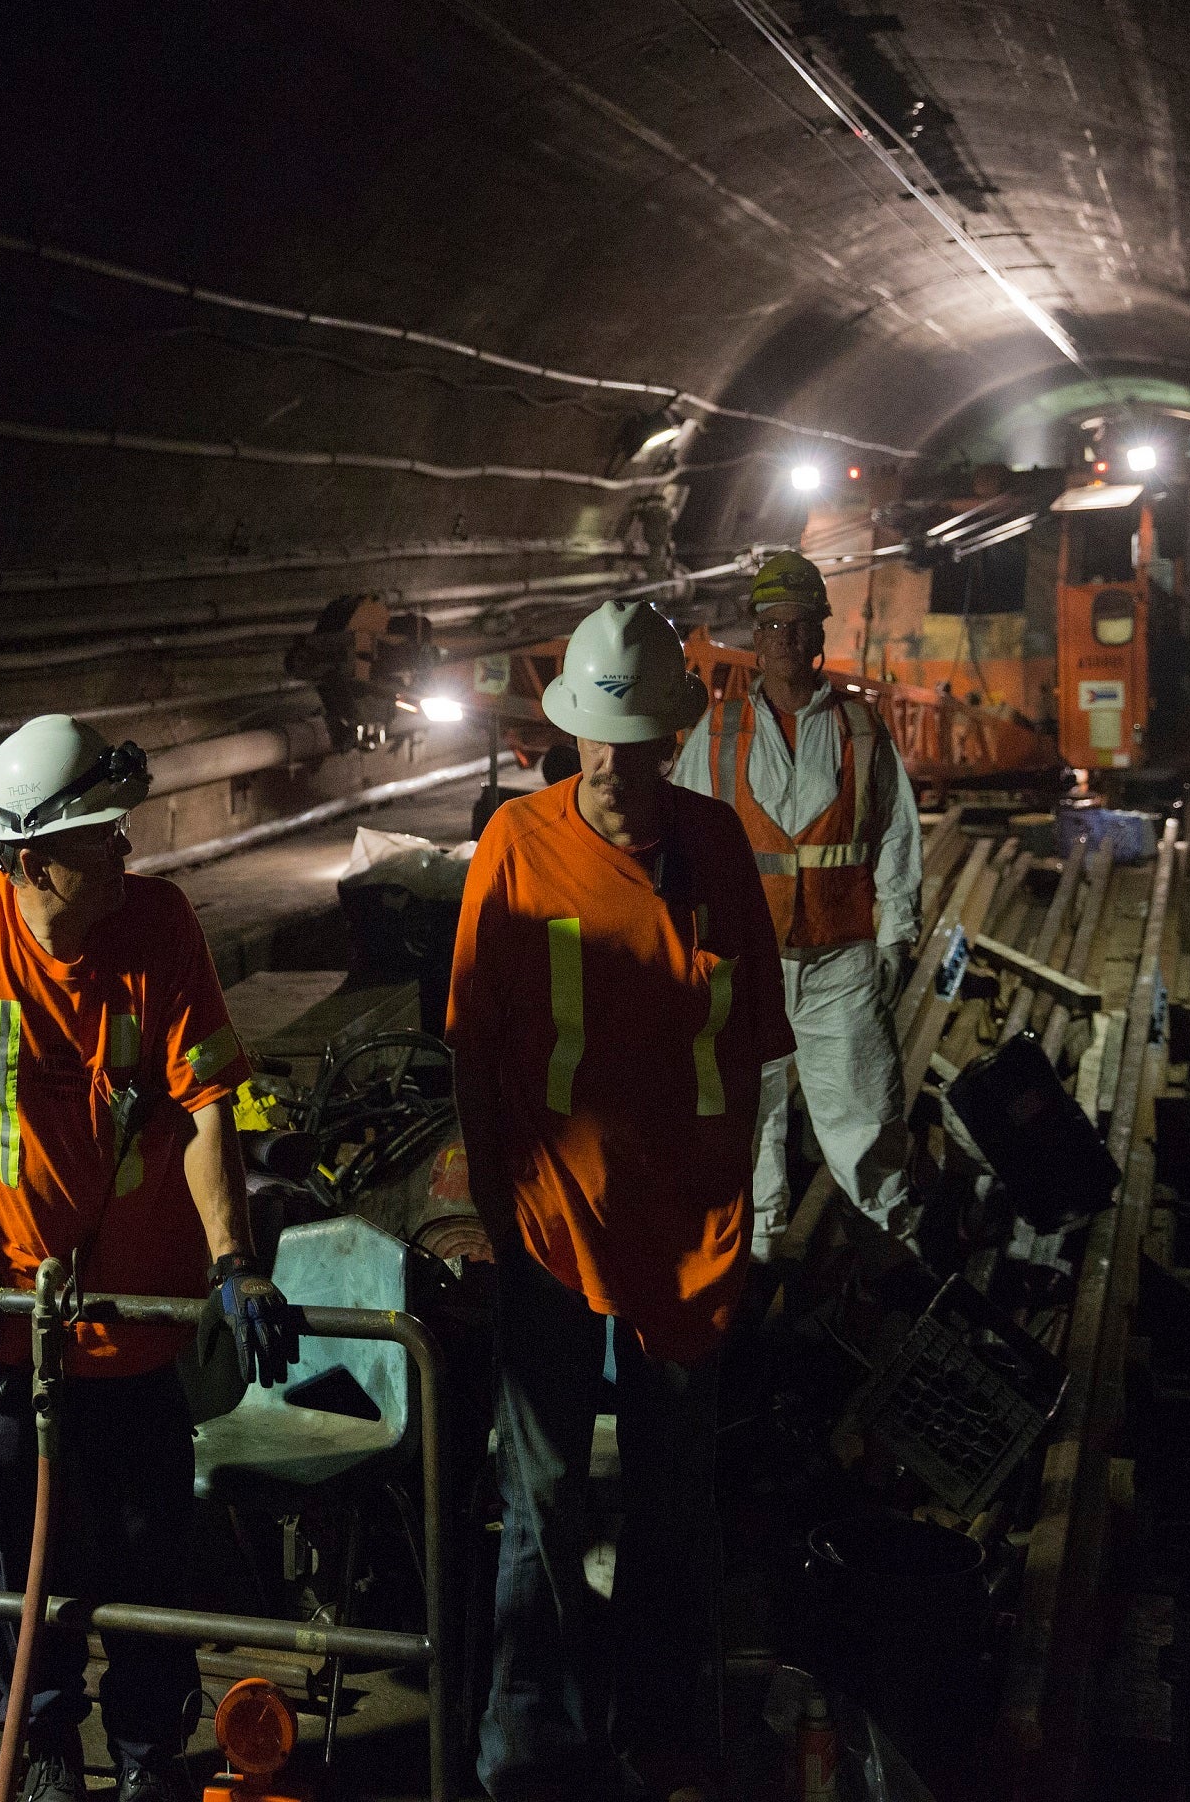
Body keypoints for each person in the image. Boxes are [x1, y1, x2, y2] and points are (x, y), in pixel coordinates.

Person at [0, 715, 298, 1802]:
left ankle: (149, 1750)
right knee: (22, 1562)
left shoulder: (158, 925)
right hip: (7, 1324)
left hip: (136, 1326)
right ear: (25, 857)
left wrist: (235, 1262)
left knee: (151, 1551)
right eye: (100, 835)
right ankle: (44, 1746)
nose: (123, 852)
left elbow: (204, 1106)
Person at [450, 601, 795, 1802]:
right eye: (591, 739)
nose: (608, 765)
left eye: (630, 742)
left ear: (669, 743)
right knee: (537, 1485)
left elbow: (748, 1046)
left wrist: (740, 1204)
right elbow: (471, 1037)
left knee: (670, 1492)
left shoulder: (714, 850)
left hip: (685, 1223)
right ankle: (533, 1742)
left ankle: (662, 1725)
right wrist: (494, 1201)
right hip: (552, 1217)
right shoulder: (514, 843)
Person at [674, 550, 923, 1259]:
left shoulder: (863, 731)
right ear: (756, 637)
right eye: (772, 625)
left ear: (820, 634)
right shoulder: (718, 733)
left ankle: (888, 1247)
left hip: (840, 961)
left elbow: (896, 839)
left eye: (799, 624)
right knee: (750, 1118)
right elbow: (684, 843)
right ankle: (753, 1261)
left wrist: (895, 939)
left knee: (864, 1114)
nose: (786, 638)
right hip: (745, 965)